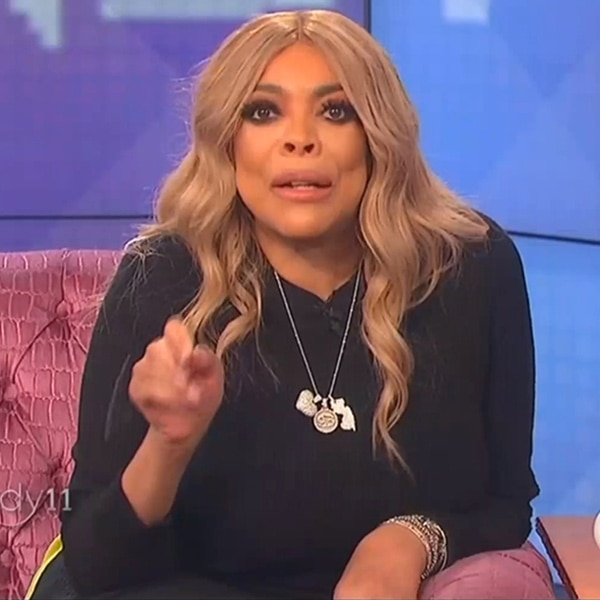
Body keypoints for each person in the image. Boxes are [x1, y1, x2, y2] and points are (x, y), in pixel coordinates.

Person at [28, 9, 554, 600]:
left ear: (378, 134)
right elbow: (98, 566)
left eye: (336, 111)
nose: (300, 138)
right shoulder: (161, 278)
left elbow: (506, 503)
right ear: (228, 141)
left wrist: (409, 538)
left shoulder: (472, 268)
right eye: (263, 111)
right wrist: (168, 444)